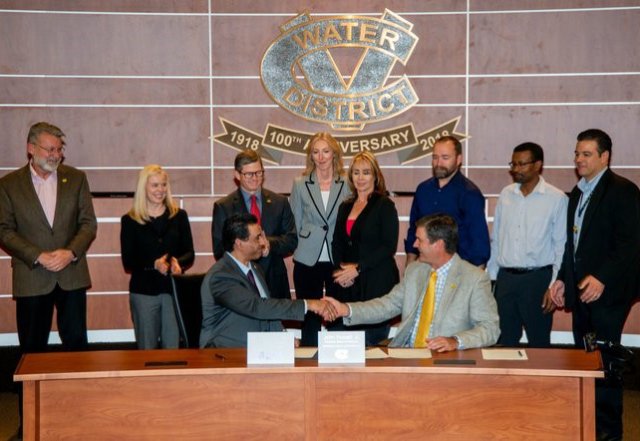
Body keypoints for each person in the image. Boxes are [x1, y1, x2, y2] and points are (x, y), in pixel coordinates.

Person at [0, 122, 97, 441]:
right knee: (31, 353)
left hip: (71, 275)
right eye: (50, 149)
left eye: (59, 149)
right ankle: (29, 422)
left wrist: (69, 252)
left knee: (77, 350)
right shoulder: (9, 184)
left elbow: (88, 224)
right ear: (31, 148)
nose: (57, 155)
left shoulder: (77, 178)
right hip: (32, 276)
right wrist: (39, 255)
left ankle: (80, 418)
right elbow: (4, 230)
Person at [548, 129, 640, 441]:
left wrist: (603, 277)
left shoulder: (623, 191)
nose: (579, 159)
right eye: (577, 153)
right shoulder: (577, 193)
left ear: (605, 157)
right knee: (585, 360)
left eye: (586, 154)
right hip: (582, 295)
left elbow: (630, 244)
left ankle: (610, 433)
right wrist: (562, 278)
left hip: (609, 295)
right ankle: (588, 424)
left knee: (605, 365)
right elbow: (572, 245)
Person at [327, 214, 499, 351]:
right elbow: (387, 305)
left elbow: (490, 329)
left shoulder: (474, 278)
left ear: (438, 244)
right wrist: (346, 309)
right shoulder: (415, 270)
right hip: (406, 354)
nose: (414, 244)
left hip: (445, 361)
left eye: (420, 240)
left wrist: (455, 341)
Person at [200, 213, 336, 348]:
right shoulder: (221, 276)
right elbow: (257, 307)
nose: (263, 242)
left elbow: (268, 313)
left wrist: (281, 336)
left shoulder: (255, 269)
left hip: (256, 350)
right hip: (224, 353)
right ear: (239, 243)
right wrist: (309, 304)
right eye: (257, 238)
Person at [487, 142, 567, 348]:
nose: (516, 170)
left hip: (537, 281)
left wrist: (553, 286)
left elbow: (561, 246)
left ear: (538, 165)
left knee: (539, 342)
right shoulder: (506, 194)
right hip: (505, 280)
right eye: (513, 164)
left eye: (522, 164)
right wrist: (492, 280)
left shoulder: (556, 198)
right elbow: (497, 239)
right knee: (504, 341)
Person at [120, 164, 195, 349]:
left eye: (163, 185)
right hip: (144, 293)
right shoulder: (130, 220)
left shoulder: (179, 216)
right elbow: (128, 261)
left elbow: (190, 253)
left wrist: (179, 262)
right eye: (155, 185)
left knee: (173, 349)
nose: (160, 190)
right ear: (143, 188)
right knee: (147, 349)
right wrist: (153, 264)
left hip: (173, 291)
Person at [332, 151, 399, 346]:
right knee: (342, 347)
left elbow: (388, 246)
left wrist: (357, 268)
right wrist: (340, 272)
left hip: (375, 284)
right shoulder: (345, 206)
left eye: (366, 172)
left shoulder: (385, 205)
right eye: (356, 172)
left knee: (370, 347)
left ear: (376, 176)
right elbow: (336, 243)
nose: (360, 178)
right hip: (346, 285)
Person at [289, 132, 351, 346]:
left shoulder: (347, 182)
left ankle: (339, 358)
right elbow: (294, 221)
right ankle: (308, 359)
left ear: (334, 153)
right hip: (307, 258)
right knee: (309, 314)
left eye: (325, 151)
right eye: (316, 152)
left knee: (337, 311)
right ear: (311, 156)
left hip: (337, 258)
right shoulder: (300, 183)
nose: (321, 157)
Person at [212, 149, 297, 299]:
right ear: (237, 175)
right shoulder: (224, 207)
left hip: (274, 282)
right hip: (240, 283)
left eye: (259, 173)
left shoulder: (280, 202)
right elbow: (219, 249)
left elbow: (292, 240)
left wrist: (268, 244)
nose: (255, 178)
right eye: (249, 174)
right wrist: (252, 248)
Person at [405, 136, 490, 267]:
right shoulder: (423, 190)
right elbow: (413, 231)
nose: (438, 163)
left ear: (459, 159)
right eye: (435, 157)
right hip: (424, 269)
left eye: (445, 158)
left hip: (458, 272)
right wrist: (409, 267)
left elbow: (479, 243)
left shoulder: (469, 194)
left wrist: (474, 283)